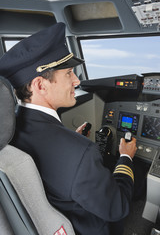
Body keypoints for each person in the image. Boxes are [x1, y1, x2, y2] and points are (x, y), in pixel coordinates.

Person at [0, 22, 137, 235]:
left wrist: (71, 144)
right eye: (69, 73)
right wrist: (125, 159)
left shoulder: (9, 132)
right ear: (40, 85)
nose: (77, 81)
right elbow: (116, 207)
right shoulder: (79, 153)